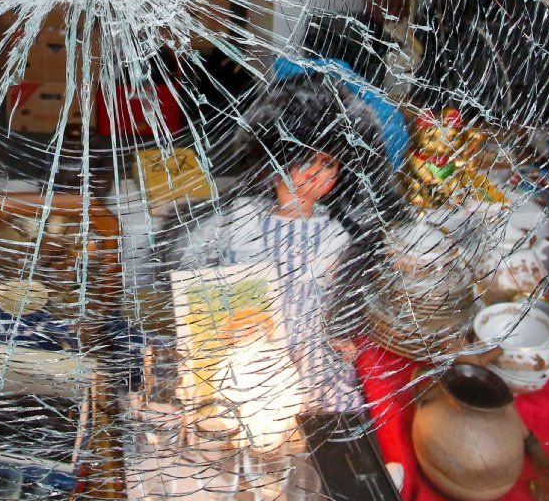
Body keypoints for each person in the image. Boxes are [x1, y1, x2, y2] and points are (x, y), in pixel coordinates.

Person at [171, 74, 406, 414]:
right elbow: (212, 279)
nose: (313, 174)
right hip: (249, 335)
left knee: (315, 403)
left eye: (328, 165)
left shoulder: (335, 234)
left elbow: (345, 294)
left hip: (309, 337)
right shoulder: (242, 218)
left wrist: (343, 328)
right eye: (303, 160)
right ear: (273, 162)